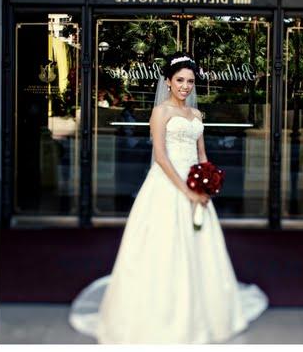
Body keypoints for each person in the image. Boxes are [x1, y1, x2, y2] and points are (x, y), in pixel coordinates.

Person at [69, 54, 267, 343]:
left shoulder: (197, 115)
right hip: (167, 186)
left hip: (195, 187)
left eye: (190, 81)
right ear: (168, 82)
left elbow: (201, 154)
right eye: (180, 80)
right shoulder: (160, 113)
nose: (185, 86)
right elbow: (161, 157)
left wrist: (207, 182)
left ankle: (202, 311)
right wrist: (185, 190)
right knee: (163, 247)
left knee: (200, 246)